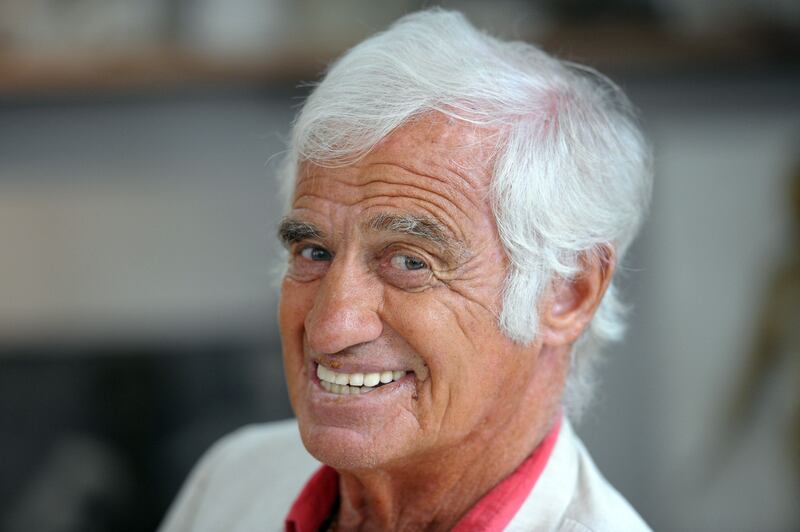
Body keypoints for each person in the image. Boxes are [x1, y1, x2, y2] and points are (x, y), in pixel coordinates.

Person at [159, 9, 653, 532]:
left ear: (568, 293)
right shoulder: (234, 481)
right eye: (314, 253)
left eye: (410, 262)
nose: (331, 328)